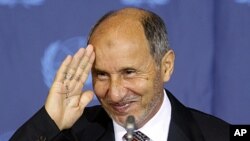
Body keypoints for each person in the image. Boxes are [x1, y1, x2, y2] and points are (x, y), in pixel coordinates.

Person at [10, 7, 229, 141]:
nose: (114, 94)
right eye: (102, 75)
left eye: (129, 72)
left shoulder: (220, 135)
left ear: (166, 66)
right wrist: (48, 123)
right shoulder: (68, 134)